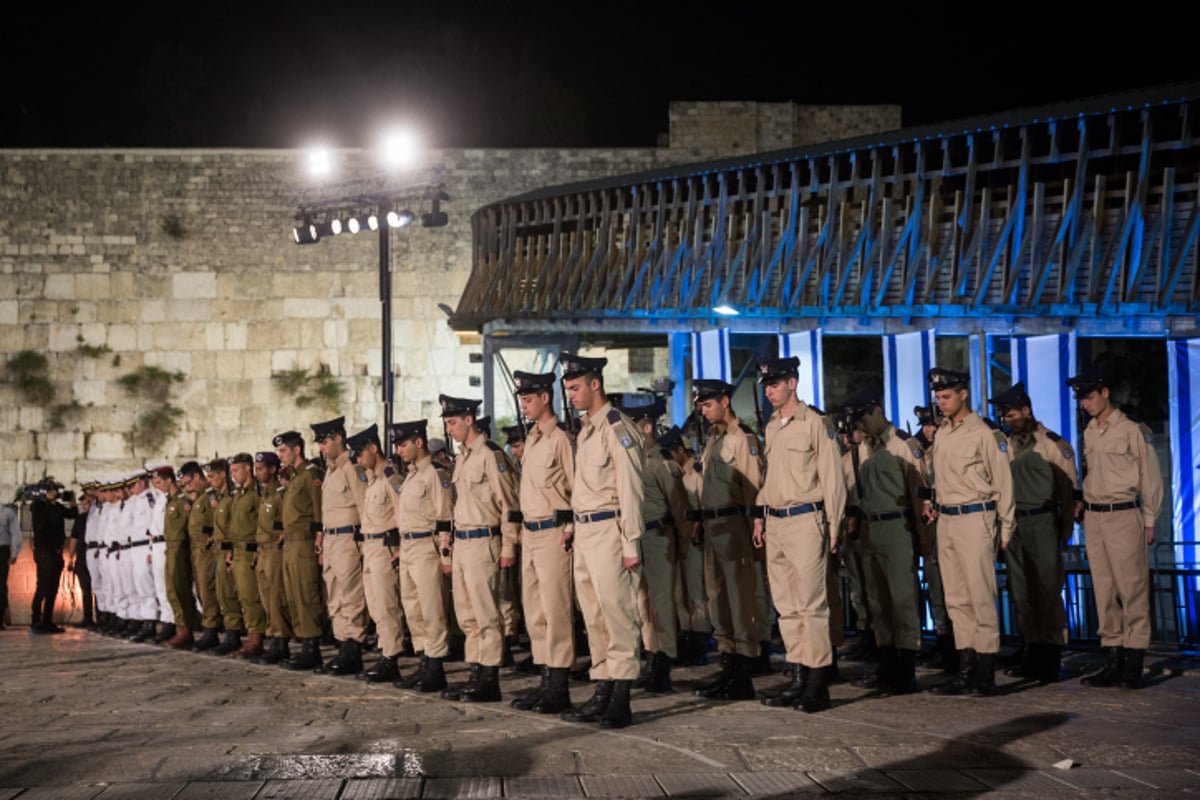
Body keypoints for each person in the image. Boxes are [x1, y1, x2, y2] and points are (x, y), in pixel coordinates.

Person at [751, 357, 846, 712]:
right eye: (767, 386)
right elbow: (770, 476)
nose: (770, 391)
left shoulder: (816, 424)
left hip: (806, 518)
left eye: (775, 384)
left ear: (792, 382)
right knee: (787, 607)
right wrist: (761, 514)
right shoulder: (774, 425)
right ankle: (798, 677)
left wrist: (835, 525)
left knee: (811, 605)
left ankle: (818, 682)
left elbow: (832, 478)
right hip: (775, 521)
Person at [558, 352, 645, 729]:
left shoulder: (616, 427)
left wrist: (630, 542)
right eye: (568, 388)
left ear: (596, 384)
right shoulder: (587, 430)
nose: (571, 394)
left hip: (611, 531)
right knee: (594, 615)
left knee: (617, 613)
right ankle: (603, 687)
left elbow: (630, 489)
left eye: (576, 387)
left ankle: (622, 698)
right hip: (587, 530)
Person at [1066, 366, 1164, 690]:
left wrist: (1150, 520)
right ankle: (1113, 659)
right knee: (1104, 590)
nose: (1085, 404)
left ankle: (1133, 662)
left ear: (1105, 393)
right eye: (1082, 399)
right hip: (1094, 517)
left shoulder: (1133, 430)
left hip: (1123, 514)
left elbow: (1150, 478)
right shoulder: (1090, 432)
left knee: (1131, 588)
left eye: (1089, 397)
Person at [924, 367, 1014, 697]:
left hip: (976, 517)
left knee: (980, 595)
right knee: (957, 599)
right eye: (938, 397)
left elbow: (1002, 482)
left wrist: (1006, 528)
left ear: (964, 394)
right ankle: (966, 668)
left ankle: (986, 671)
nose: (941, 403)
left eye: (946, 396)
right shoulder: (944, 433)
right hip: (947, 518)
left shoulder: (984, 433)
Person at [987, 382, 1078, 683]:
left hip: (1042, 521)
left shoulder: (1052, 444)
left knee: (1048, 589)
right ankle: (1032, 648)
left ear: (1026, 410)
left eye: (1011, 415)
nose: (1007, 421)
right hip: (1015, 523)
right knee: (1022, 591)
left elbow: (1069, 492)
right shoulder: (1006, 445)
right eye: (1003, 417)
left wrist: (1063, 532)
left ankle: (1051, 655)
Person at [843, 387, 928, 694]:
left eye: (864, 418)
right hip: (869, 528)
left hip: (897, 526)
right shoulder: (865, 448)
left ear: (877, 410)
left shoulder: (904, 445)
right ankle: (886, 664)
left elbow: (920, 495)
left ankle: (905, 670)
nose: (861, 426)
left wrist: (923, 536)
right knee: (878, 600)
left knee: (902, 598)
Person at [439, 394, 520, 702]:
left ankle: (490, 676)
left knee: (487, 614)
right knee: (466, 614)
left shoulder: (490, 455)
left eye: (453, 422)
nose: (449, 429)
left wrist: (509, 545)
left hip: (485, 540)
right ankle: (476, 672)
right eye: (447, 423)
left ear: (469, 420)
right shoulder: (462, 458)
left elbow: (509, 504)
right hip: (462, 542)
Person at [692, 378, 764, 701]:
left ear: (724, 400)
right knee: (717, 600)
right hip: (712, 527)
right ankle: (728, 665)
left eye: (708, 405)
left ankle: (744, 673)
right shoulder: (712, 439)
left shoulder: (742, 438)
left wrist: (755, 527)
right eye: (701, 407)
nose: (704, 412)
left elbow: (752, 487)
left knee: (739, 598)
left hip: (735, 524)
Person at [510, 370, 577, 713]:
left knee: (555, 608)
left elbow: (576, 486)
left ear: (545, 398)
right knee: (534, 610)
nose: (524, 405)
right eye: (522, 400)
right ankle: (545, 677)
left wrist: (570, 529)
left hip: (555, 531)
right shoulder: (533, 438)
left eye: (528, 399)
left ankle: (560, 683)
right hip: (532, 532)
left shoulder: (560, 439)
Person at [618, 393, 688, 693]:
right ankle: (650, 654)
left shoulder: (661, 462)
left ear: (645, 427)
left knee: (661, 601)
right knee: (642, 603)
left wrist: (684, 544)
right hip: (637, 536)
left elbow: (679, 507)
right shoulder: (632, 458)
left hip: (659, 536)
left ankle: (665, 659)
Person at [391, 419, 454, 693]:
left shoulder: (435, 473)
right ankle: (423, 660)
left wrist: (446, 555)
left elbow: (445, 516)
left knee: (432, 610)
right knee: (413, 608)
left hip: (427, 547)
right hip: (408, 547)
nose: (400, 450)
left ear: (419, 442)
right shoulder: (412, 475)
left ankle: (436, 666)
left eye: (403, 444)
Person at [347, 424, 407, 683]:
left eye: (361, 453)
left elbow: (403, 513)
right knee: (374, 604)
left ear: (374, 448)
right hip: (370, 546)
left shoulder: (391, 477)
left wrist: (401, 547)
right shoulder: (372, 480)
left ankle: (391, 657)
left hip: (385, 546)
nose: (359, 459)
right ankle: (385, 651)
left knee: (386, 604)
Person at [312, 415, 369, 676]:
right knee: (334, 595)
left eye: (324, 442)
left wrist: (364, 543)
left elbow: (362, 505)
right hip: (332, 538)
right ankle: (342, 642)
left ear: (338, 439)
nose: (321, 448)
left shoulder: (351, 468)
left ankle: (353, 646)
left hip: (348, 538)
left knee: (351, 595)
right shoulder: (331, 469)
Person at [274, 430, 326, 670]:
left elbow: (318, 509)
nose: (280, 455)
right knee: (293, 594)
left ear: (297, 450)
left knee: (306, 594)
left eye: (283, 450)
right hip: (291, 542)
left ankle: (311, 647)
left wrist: (320, 539)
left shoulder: (310, 474)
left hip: (305, 541)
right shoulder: (294, 477)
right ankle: (303, 641)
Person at [659, 426, 711, 666]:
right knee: (680, 593)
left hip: (694, 537)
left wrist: (699, 529)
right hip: (679, 536)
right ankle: (687, 636)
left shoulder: (696, 472)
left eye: (671, 454)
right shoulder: (677, 473)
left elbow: (704, 505)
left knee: (696, 591)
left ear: (680, 450)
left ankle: (699, 642)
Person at [225, 453, 269, 659]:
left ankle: (256, 638)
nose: (233, 475)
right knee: (242, 596)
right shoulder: (239, 494)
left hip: (251, 550)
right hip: (238, 550)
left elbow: (260, 522)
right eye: (231, 471)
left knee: (252, 597)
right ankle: (251, 634)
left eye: (236, 470)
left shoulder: (256, 493)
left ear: (247, 469)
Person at [253, 451, 292, 664]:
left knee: (277, 598)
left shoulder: (279, 493)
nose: (257, 473)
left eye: (261, 469)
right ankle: (273, 636)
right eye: (256, 469)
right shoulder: (265, 494)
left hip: (275, 549)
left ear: (273, 469)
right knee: (266, 598)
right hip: (262, 549)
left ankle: (281, 641)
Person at [206, 458, 245, 655]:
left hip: (229, 550)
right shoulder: (220, 499)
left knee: (230, 594)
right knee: (222, 593)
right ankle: (230, 632)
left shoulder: (231, 499)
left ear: (223, 475)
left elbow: (234, 528)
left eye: (212, 476)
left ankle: (234, 633)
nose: (209, 480)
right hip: (219, 551)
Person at [29, 480, 78, 633]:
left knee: (53, 588)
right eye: (50, 490)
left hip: (56, 551)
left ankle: (47, 621)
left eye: (55, 490)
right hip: (44, 551)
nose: (54, 493)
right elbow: (46, 521)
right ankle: (36, 621)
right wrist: (46, 500)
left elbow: (72, 514)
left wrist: (72, 501)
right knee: (42, 587)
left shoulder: (56, 507)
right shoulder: (39, 506)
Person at [158, 466, 198, 648]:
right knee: (171, 589)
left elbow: (190, 523)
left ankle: (185, 631)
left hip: (180, 546)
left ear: (169, 480)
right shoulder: (170, 500)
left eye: (160, 482)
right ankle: (180, 626)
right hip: (170, 546)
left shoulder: (182, 500)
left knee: (180, 588)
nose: (158, 486)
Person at [67, 484, 96, 628]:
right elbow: (74, 538)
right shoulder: (80, 518)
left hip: (94, 554)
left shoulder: (97, 515)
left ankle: (102, 617)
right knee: (85, 589)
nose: (84, 506)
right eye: (82, 503)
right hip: (82, 555)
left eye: (86, 503)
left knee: (98, 588)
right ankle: (88, 616)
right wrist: (70, 557)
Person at [0, 494, 18, 630]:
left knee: (0, 585)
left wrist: (15, 553)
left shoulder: (7, 512)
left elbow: (15, 533)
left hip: (2, 549)